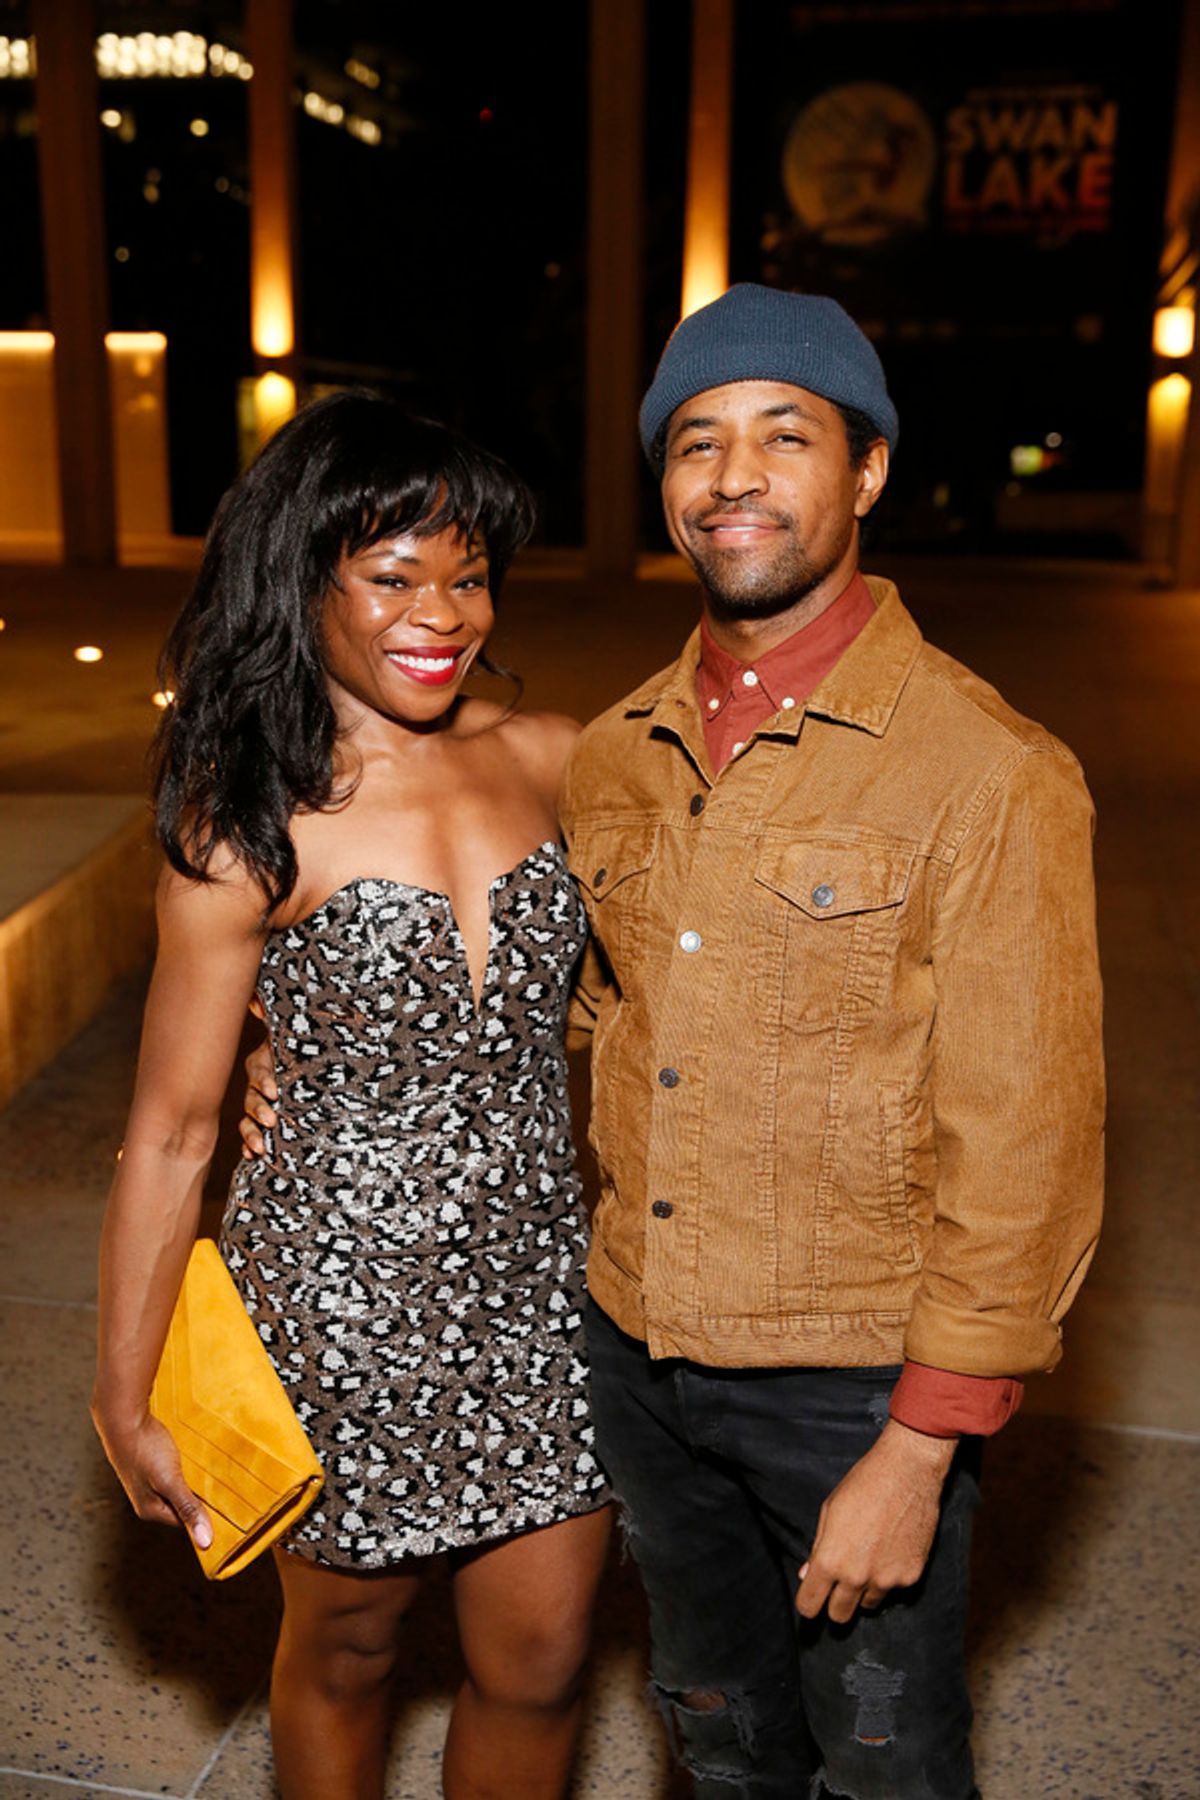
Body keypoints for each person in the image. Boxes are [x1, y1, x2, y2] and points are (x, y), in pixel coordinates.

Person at [558, 285, 1104, 1798]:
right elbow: (607, 1018)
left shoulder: (988, 773)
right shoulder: (617, 753)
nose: (730, 475)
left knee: (885, 1760)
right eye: (695, 442)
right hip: (643, 1352)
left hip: (852, 1387)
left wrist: (923, 1447)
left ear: (865, 473)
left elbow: (1027, 1140)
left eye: (782, 436)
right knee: (716, 1728)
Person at [91, 392, 611, 1800]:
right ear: (302, 582)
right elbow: (170, 1129)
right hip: (335, 1304)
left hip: (542, 1288)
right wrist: (122, 1393)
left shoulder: (557, 758)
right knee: (349, 1649)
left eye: (469, 575)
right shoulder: (245, 822)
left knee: (548, 1656)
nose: (440, 613)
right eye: (391, 576)